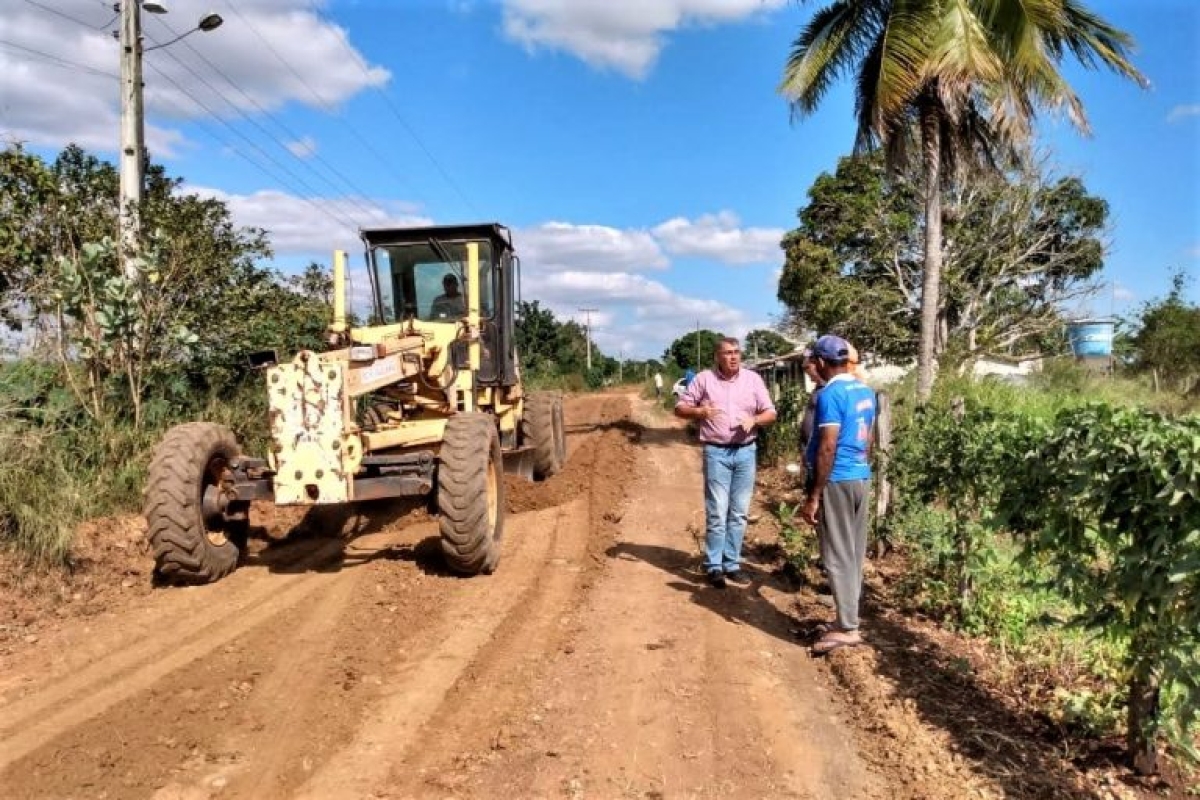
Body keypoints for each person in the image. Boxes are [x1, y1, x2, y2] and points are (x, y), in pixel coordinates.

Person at [675, 337, 777, 588]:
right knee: (717, 511)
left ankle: (731, 564)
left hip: (746, 452)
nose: (733, 357)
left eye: (737, 352)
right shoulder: (704, 379)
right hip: (716, 452)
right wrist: (699, 412)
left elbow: (770, 412)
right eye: (728, 353)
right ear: (717, 357)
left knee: (739, 512)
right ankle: (714, 566)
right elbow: (680, 408)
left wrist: (755, 420)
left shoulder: (753, 379)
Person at [800, 334, 876, 654]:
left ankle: (847, 628)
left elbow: (828, 445)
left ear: (820, 362)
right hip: (860, 475)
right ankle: (846, 618)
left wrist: (815, 494)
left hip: (837, 479)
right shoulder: (865, 391)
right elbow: (868, 440)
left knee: (835, 555)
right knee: (854, 553)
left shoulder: (831, 394)